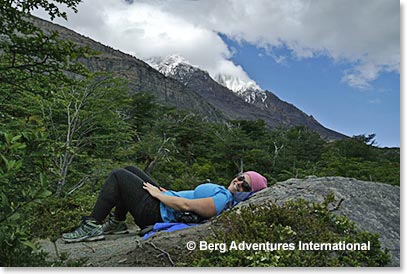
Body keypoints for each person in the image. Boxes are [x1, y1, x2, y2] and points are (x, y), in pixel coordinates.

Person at [62, 166, 268, 243]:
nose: (239, 182)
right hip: (164, 203)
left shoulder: (223, 198)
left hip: (156, 212)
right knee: (130, 170)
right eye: (241, 177)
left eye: (245, 186)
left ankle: (91, 225)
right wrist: (164, 192)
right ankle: (116, 221)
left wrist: (159, 196)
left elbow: (187, 206)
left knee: (118, 176)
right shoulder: (225, 196)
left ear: (248, 194)